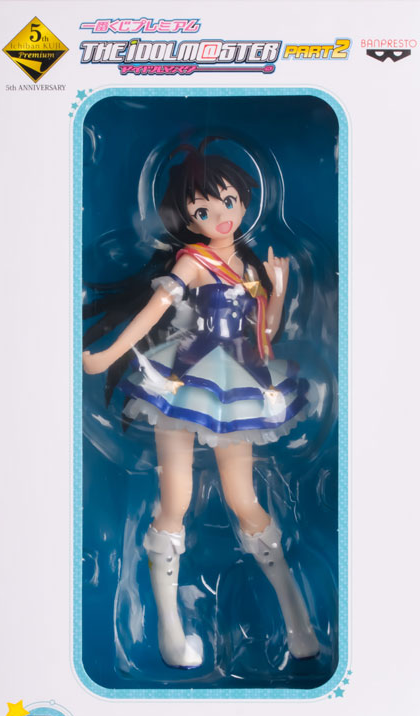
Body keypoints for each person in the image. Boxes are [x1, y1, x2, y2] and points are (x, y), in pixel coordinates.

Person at [83, 139, 319, 668]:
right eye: (203, 210)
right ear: (187, 218)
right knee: (177, 499)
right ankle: (170, 629)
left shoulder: (250, 264)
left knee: (245, 500)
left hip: (238, 381)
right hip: (184, 377)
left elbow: (265, 336)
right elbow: (153, 310)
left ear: (246, 200)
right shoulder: (193, 260)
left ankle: (298, 622)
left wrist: (278, 292)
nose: (220, 216)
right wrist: (111, 354)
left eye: (229, 202)